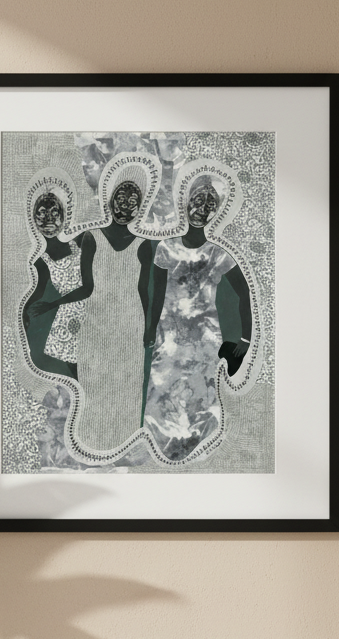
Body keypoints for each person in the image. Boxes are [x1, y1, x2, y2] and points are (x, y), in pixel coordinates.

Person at [31, 169, 162, 455]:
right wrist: (52, 304)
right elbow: (88, 286)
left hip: (130, 322)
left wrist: (149, 327)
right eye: (120, 199)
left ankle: (125, 447)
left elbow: (144, 290)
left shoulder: (144, 245)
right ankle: (93, 445)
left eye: (132, 202)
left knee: (126, 386)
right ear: (109, 200)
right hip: (96, 321)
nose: (125, 206)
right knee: (94, 384)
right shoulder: (91, 238)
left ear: (140, 207)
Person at [143, 173, 253, 462]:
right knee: (162, 395)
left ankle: (196, 452)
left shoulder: (218, 254)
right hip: (168, 339)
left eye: (210, 204)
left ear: (216, 212)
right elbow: (157, 295)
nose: (202, 208)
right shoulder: (166, 248)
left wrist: (245, 339)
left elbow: (245, 293)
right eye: (198, 200)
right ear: (186, 202)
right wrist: (151, 331)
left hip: (205, 341)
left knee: (200, 397)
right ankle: (164, 454)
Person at [21, 188, 82, 380]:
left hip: (93, 306)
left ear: (64, 216)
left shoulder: (80, 241)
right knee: (76, 370)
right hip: (69, 316)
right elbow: (37, 291)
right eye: (42, 214)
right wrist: (24, 311)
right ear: (33, 219)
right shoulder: (41, 259)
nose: (48, 219)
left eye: (54, 213)